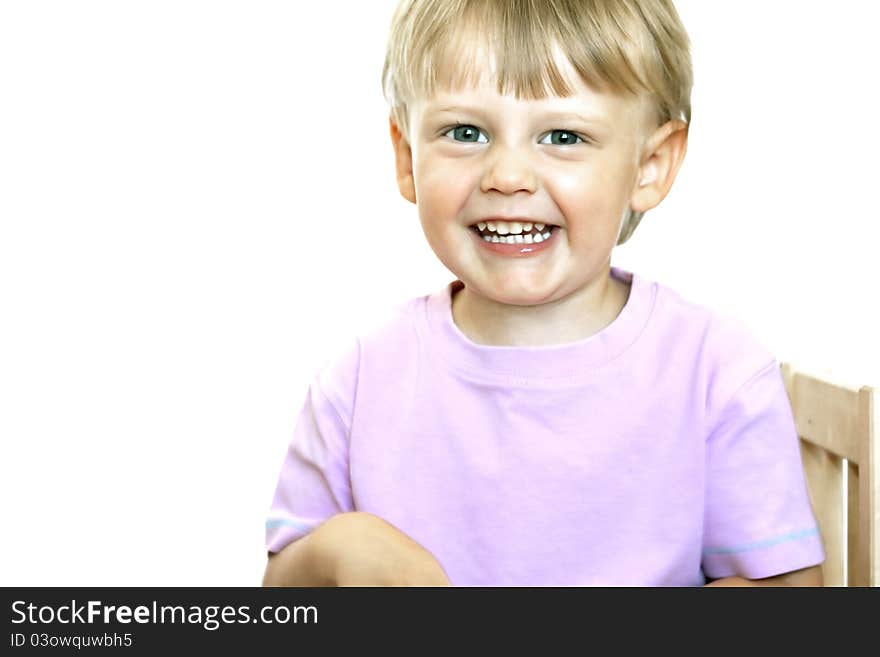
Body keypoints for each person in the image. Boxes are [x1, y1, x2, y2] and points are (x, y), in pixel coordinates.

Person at [262, 0, 825, 586]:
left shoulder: (715, 372)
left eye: (562, 135)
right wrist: (336, 553)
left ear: (650, 165)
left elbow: (789, 593)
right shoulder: (359, 381)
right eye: (465, 132)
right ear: (407, 155)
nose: (507, 176)